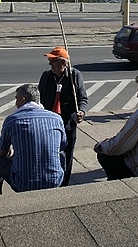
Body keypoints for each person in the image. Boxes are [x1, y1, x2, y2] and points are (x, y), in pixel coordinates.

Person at [0, 84, 67, 196]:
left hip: (23, 183)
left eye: (16, 98)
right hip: (54, 181)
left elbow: (2, 152)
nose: (15, 102)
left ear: (23, 99)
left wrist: (11, 152)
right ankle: (62, 188)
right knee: (62, 154)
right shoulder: (56, 118)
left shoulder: (12, 120)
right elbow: (63, 145)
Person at [38, 46, 88, 186]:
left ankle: (64, 184)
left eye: (53, 61)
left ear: (63, 63)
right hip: (48, 125)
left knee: (66, 156)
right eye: (50, 60)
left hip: (67, 124)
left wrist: (81, 112)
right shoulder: (46, 76)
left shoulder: (74, 76)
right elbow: (38, 99)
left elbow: (82, 99)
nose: (50, 64)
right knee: (48, 155)